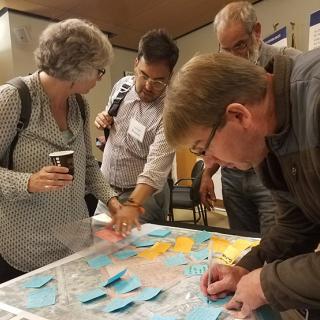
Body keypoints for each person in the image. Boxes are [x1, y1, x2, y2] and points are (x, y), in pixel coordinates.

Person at [163, 50, 320, 318]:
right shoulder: (270, 137)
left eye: (204, 148)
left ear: (238, 115)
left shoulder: (315, 101)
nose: (212, 161)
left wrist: (267, 283)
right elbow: (298, 222)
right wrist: (248, 266)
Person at [0, 18, 126, 283]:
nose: (99, 78)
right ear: (76, 69)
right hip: (25, 245)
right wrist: (28, 182)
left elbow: (89, 165)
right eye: (98, 70)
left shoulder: (79, 104)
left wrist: (113, 202)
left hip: (74, 239)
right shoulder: (13, 98)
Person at [199, 1, 300, 235]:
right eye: (226, 49)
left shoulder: (287, 63)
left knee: (275, 242)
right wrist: (207, 173)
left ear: (256, 31)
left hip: (271, 176)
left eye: (240, 46)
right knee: (241, 242)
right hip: (233, 177)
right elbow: (217, 130)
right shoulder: (221, 76)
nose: (234, 56)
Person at [94, 29, 179, 234]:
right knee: (98, 246)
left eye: (159, 81)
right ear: (136, 64)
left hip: (141, 198)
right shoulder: (122, 86)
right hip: (107, 192)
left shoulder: (170, 112)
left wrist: (132, 205)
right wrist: (104, 117)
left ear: (170, 76)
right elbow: (112, 118)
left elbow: (155, 170)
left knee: (137, 255)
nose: (149, 86)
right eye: (144, 75)